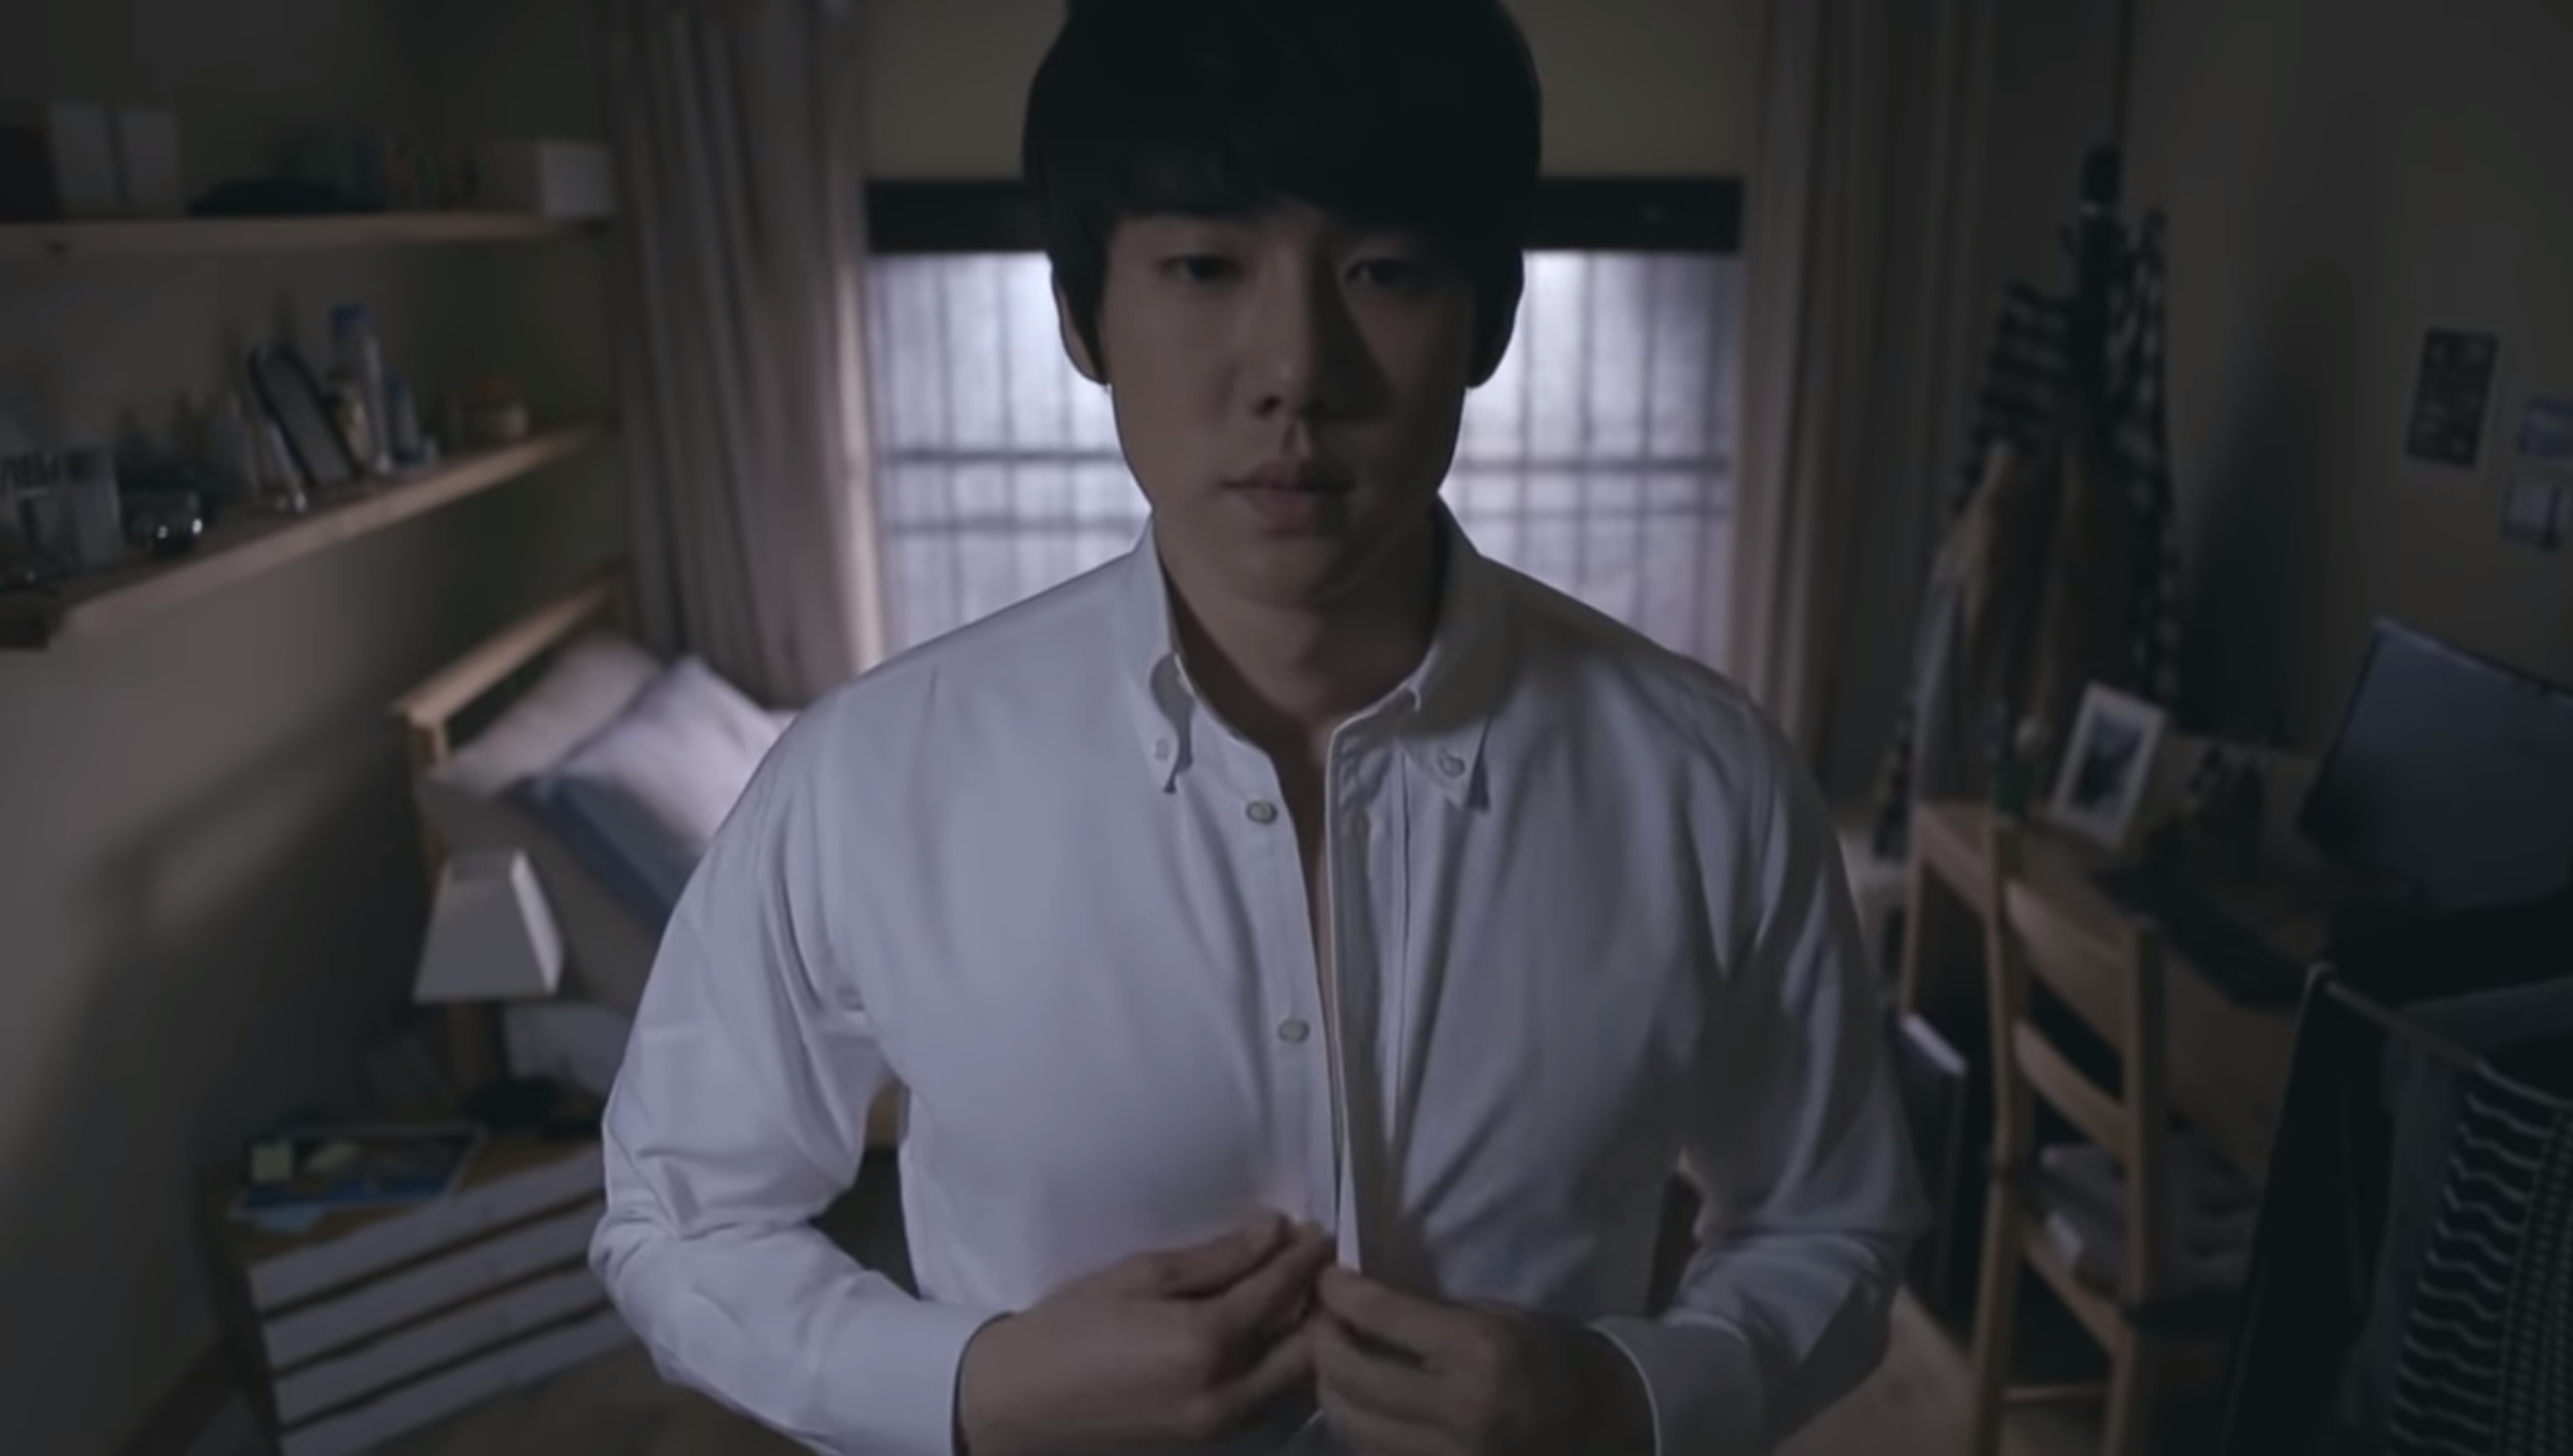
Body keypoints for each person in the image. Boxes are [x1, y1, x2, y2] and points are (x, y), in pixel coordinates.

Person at [590, 1, 1925, 1452]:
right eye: (1205, 266)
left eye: (1383, 270)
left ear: (1490, 319)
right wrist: (976, 1389)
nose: (1296, 368)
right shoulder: (869, 778)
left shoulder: (1702, 781)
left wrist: (1625, 1400)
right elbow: (678, 1214)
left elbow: (1831, 1220)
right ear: (1081, 318)